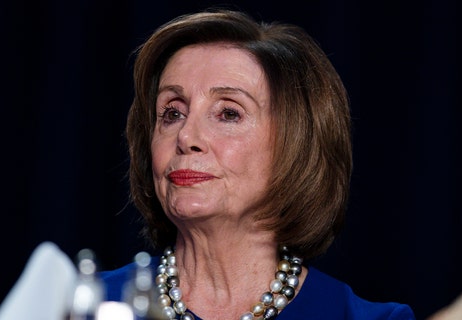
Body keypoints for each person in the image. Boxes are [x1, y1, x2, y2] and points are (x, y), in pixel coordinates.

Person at [98, 8, 416, 320]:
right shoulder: (87, 306)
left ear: (295, 145)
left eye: (228, 113)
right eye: (173, 113)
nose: (186, 136)